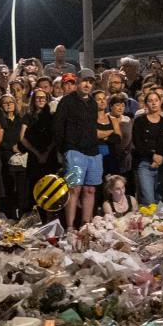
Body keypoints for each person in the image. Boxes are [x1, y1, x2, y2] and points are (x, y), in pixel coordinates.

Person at [53, 69, 102, 227]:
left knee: (90, 190)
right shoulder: (66, 101)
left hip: (93, 152)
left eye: (90, 81)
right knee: (74, 189)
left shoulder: (93, 103)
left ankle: (85, 226)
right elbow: (58, 127)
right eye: (84, 80)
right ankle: (70, 228)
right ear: (78, 82)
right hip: (74, 151)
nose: (87, 84)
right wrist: (65, 150)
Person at [132, 89, 163, 206]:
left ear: (161, 102)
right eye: (150, 101)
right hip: (145, 164)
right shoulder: (139, 122)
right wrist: (153, 156)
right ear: (146, 104)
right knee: (149, 201)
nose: (154, 103)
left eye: (156, 100)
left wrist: (160, 158)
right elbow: (138, 143)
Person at [0, 93, 27, 218]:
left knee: (22, 185)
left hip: (21, 155)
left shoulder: (20, 120)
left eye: (10, 102)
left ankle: (21, 212)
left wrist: (20, 148)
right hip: (5, 155)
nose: (8, 105)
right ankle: (8, 213)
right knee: (8, 184)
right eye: (5, 103)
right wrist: (10, 147)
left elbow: (24, 136)